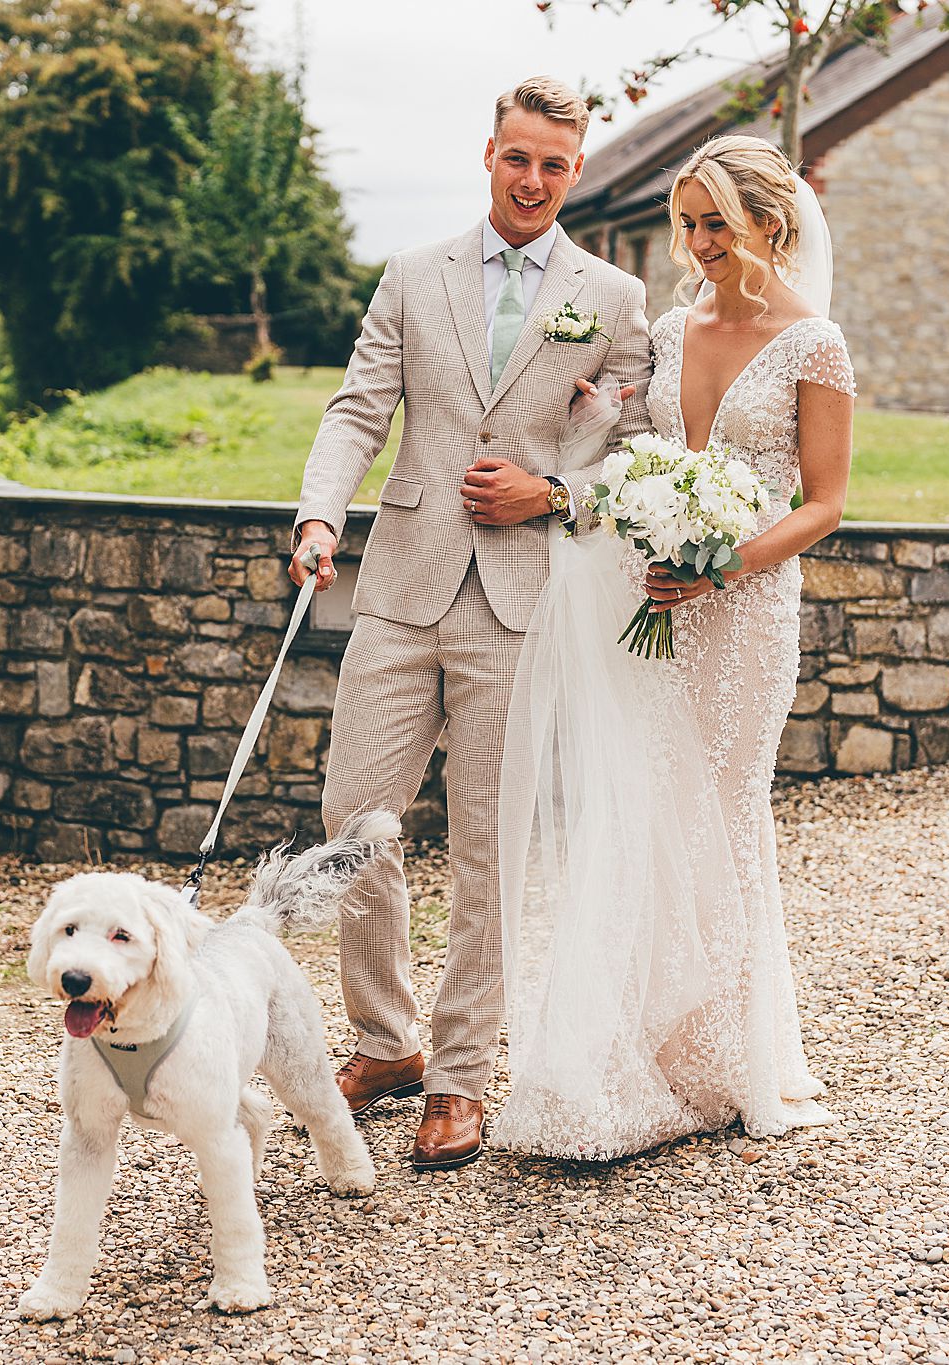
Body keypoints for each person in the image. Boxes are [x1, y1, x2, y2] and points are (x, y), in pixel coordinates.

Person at [288, 76, 652, 1170]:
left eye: (552, 164)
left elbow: (637, 461)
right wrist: (318, 514)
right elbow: (357, 409)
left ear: (574, 172)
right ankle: (384, 1041)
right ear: (486, 155)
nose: (531, 179)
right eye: (515, 158)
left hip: (519, 601)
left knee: (488, 846)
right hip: (397, 584)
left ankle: (458, 1075)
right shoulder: (411, 275)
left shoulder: (615, 299)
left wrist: (550, 495)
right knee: (355, 825)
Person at [494, 133, 854, 1160]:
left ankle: (727, 1055)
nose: (694, 245)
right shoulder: (667, 323)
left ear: (768, 227)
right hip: (649, 595)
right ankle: (634, 1048)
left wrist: (721, 565)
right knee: (643, 807)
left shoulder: (811, 342)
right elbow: (647, 451)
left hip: (741, 615)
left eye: (714, 225)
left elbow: (825, 502)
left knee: (721, 814)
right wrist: (602, 431)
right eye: (684, 224)